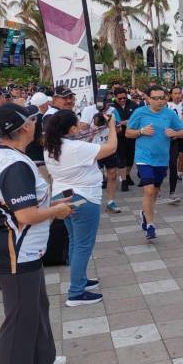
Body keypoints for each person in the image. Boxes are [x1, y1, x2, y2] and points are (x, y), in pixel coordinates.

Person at [0, 103, 72, 364]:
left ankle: (41, 360)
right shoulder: (15, 165)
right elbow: (24, 216)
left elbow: (21, 206)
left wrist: (52, 204)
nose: (37, 124)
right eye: (34, 120)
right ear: (24, 127)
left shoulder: (8, 156)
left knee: (37, 305)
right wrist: (55, 212)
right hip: (15, 253)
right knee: (20, 321)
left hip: (26, 251)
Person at [44, 110, 118, 306]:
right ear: (71, 128)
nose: (80, 126)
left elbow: (84, 145)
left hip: (63, 197)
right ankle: (76, 293)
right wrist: (111, 126)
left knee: (75, 243)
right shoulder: (75, 148)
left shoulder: (51, 146)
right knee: (83, 246)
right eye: (77, 124)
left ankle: (81, 281)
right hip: (83, 198)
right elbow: (111, 147)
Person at [125, 85, 183, 240]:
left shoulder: (169, 114)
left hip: (161, 159)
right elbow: (127, 133)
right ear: (148, 98)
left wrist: (175, 133)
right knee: (149, 190)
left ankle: (145, 214)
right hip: (144, 158)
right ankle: (150, 225)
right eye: (156, 98)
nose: (160, 101)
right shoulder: (140, 113)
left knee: (155, 192)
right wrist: (141, 131)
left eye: (163, 98)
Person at [80, 97, 123, 214]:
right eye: (104, 105)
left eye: (107, 105)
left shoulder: (113, 111)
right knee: (93, 176)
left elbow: (119, 129)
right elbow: (81, 126)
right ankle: (91, 202)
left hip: (108, 146)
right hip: (93, 147)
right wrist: (93, 124)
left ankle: (111, 202)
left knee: (112, 174)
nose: (106, 107)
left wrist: (111, 125)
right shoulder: (88, 110)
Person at [111, 87, 140, 191]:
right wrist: (125, 122)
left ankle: (127, 175)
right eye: (120, 99)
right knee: (121, 159)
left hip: (131, 136)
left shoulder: (133, 105)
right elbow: (111, 122)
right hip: (119, 136)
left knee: (130, 159)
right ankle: (123, 181)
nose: (122, 100)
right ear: (115, 98)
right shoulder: (112, 107)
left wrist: (122, 122)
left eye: (124, 98)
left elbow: (136, 119)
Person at [165, 86, 183, 204]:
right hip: (165, 139)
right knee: (164, 165)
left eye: (179, 93)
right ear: (170, 95)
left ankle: (171, 193)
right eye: (175, 93)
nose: (177, 95)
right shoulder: (167, 106)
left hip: (179, 137)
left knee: (173, 164)